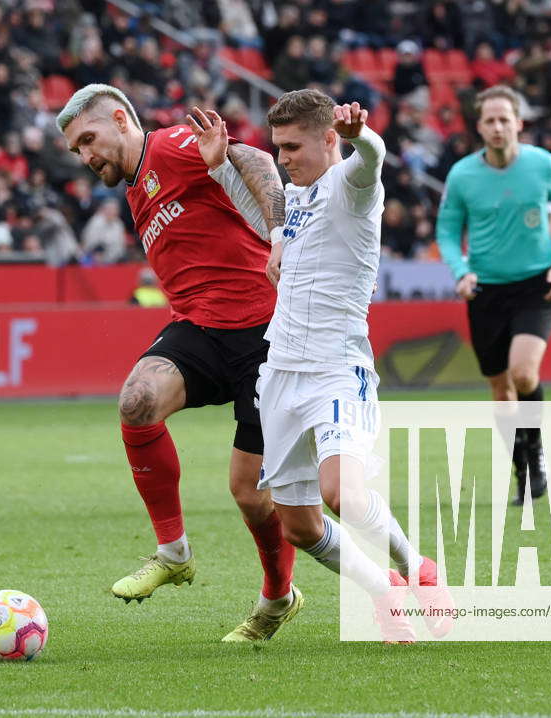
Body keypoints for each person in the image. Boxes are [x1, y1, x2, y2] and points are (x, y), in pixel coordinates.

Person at [190, 89, 453, 642]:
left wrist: (365, 138)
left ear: (330, 139)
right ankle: (384, 594)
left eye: (293, 147)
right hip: (280, 374)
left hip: (337, 367)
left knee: (343, 495)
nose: (283, 158)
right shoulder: (296, 196)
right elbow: (271, 223)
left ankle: (418, 569)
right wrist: (219, 169)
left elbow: (373, 162)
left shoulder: (351, 187)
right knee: (301, 526)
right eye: (278, 147)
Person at [56, 84, 298, 642]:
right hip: (201, 329)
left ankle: (277, 598)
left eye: (89, 140)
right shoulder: (138, 182)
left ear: (121, 119)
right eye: (77, 150)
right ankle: (173, 552)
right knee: (137, 402)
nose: (86, 156)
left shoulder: (170, 147)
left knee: (250, 495)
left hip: (264, 333)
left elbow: (255, 158)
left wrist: (282, 235)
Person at [435, 85, 551, 504]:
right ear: (479, 127)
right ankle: (524, 469)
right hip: (485, 291)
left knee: (523, 373)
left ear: (518, 123)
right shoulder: (462, 175)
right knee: (501, 390)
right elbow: (447, 230)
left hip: (537, 285)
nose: (498, 127)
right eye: (490, 121)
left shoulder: (544, 164)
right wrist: (460, 271)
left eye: (505, 119)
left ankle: (537, 457)